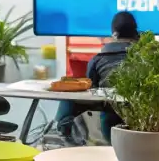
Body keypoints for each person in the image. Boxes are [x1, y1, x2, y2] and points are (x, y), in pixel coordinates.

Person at [55, 11, 139, 143]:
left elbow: (90, 87)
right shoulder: (145, 56)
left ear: (114, 34)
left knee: (69, 98)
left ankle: (64, 132)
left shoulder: (99, 59)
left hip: (110, 112)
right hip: (140, 112)